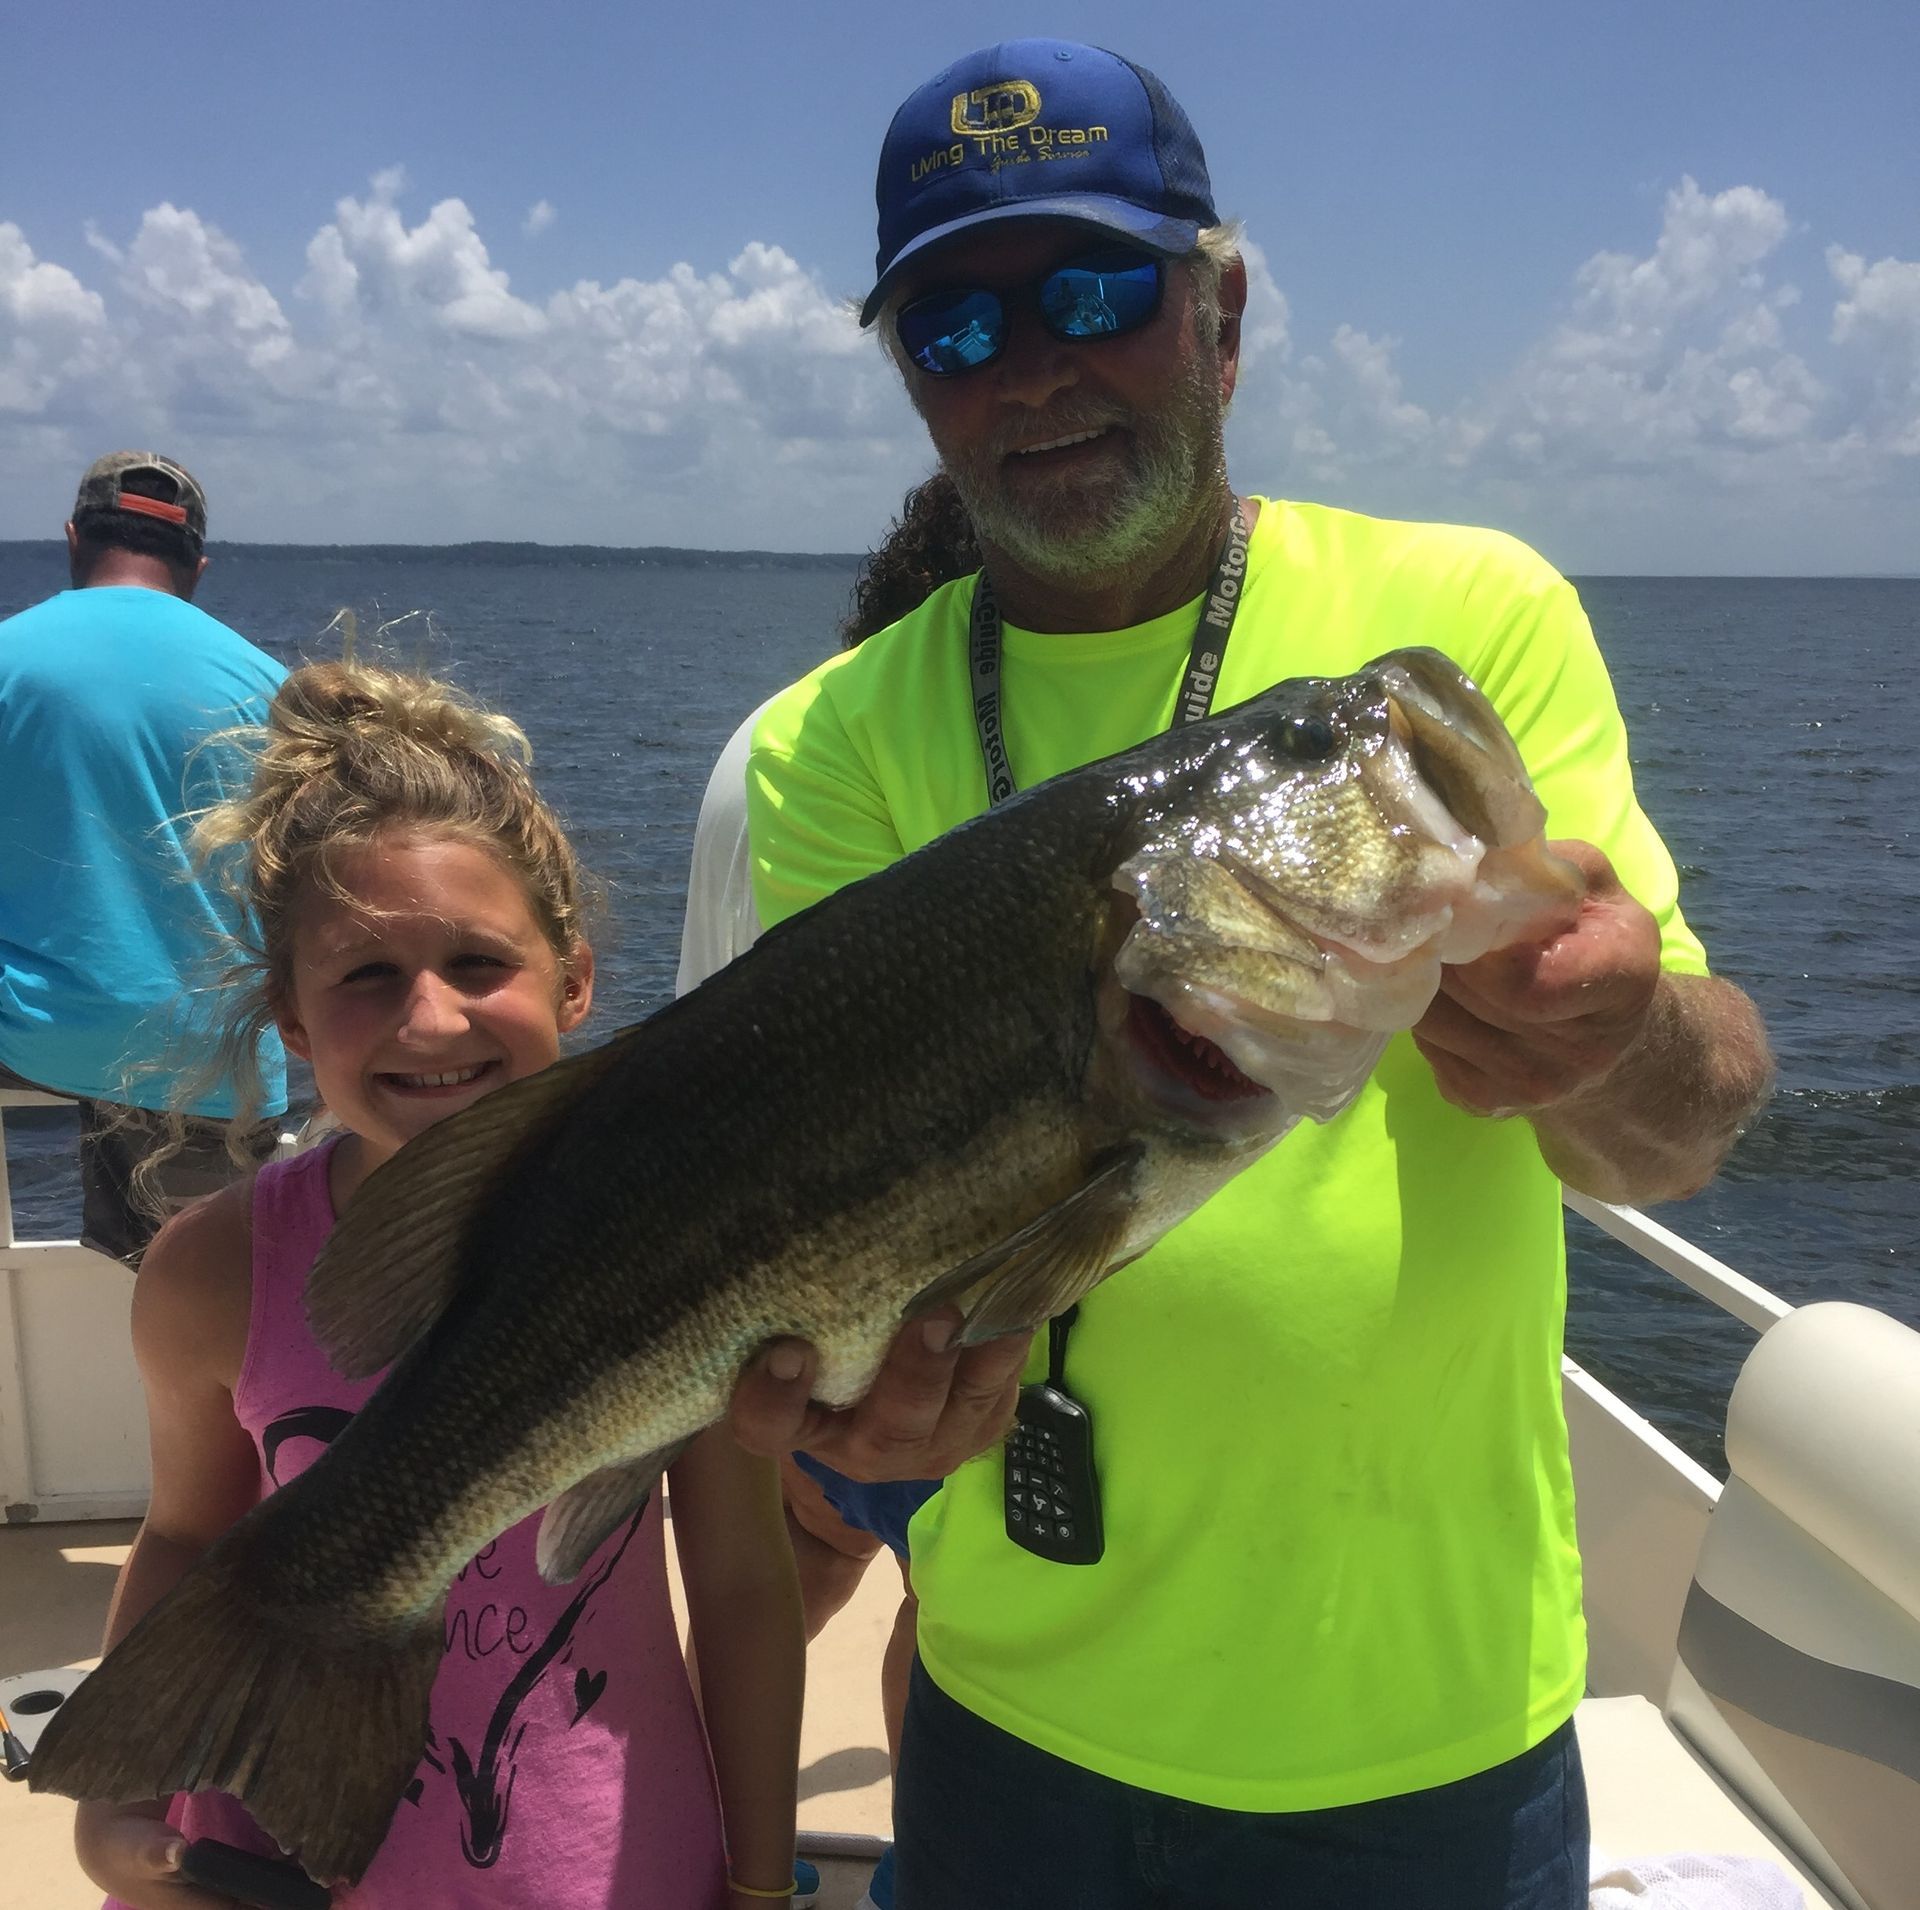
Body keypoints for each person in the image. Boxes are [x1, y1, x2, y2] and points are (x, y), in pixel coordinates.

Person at [699, 39, 1775, 1910]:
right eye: (953, 329)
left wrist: (1610, 1036)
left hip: (1432, 1756)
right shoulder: (833, 743)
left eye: (1095, 293)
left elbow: (1678, 1138)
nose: (1030, 366)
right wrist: (875, 1400)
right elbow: (863, 1218)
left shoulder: (1470, 624)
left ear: (1224, 313)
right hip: (1006, 1739)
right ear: (910, 382)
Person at [76, 660, 806, 1910]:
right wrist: (116, 1801)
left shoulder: (680, 1236)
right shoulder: (212, 1268)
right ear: (293, 1024)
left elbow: (740, 1581)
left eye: (479, 963)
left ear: (573, 981)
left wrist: (760, 1882)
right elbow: (189, 1534)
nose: (428, 1020)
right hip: (279, 1866)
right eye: (364, 976)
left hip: (609, 1867)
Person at [678, 473, 980, 1910]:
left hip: (745, 1291)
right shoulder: (931, 755)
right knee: (954, 1610)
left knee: (794, 1560)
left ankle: (693, 1823)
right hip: (900, 1300)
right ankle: (939, 1863)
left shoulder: (764, 739)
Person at [0, 452, 288, 1263]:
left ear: (72, 540)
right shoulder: (271, 687)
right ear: (196, 566)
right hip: (206, 1056)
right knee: (221, 1316)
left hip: (32, 1032)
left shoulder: (9, 656)